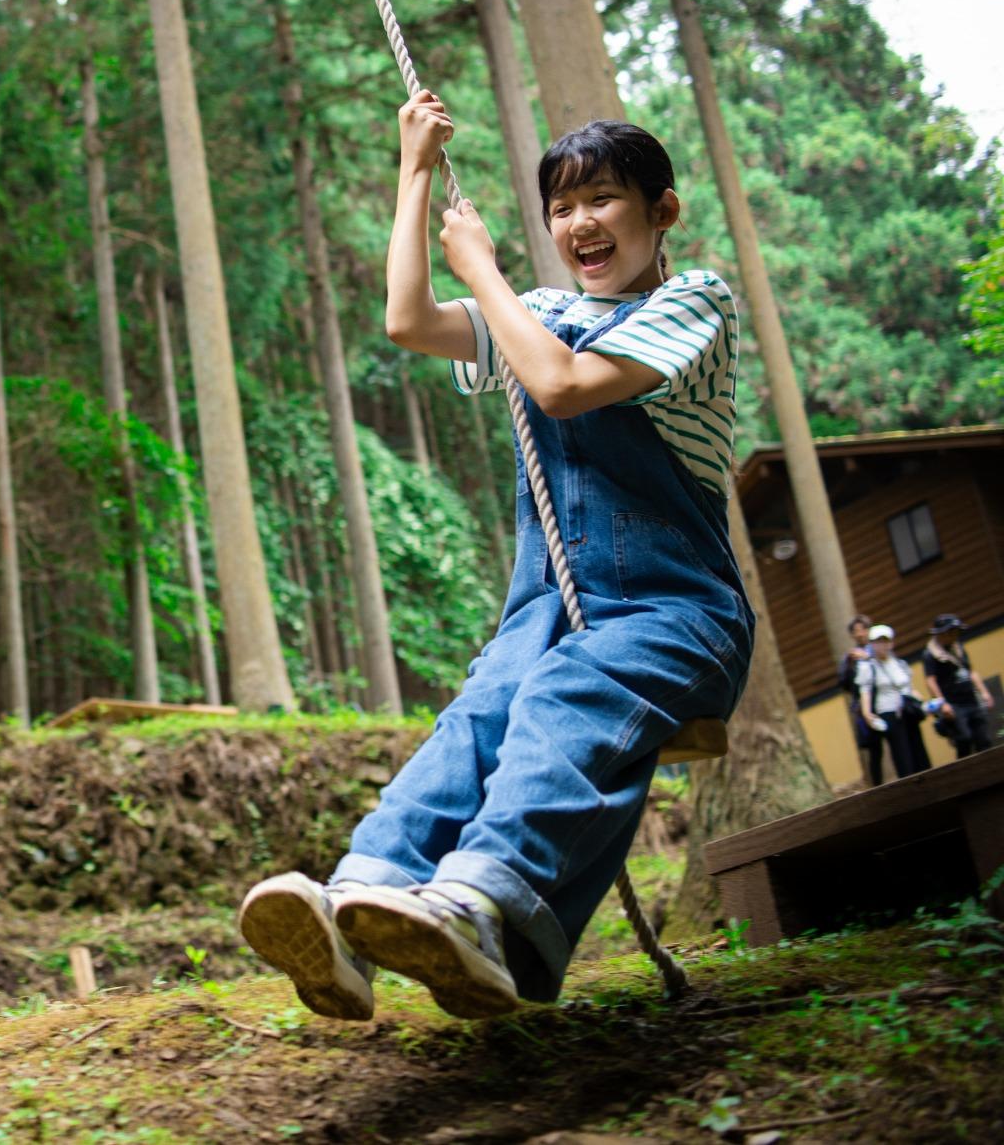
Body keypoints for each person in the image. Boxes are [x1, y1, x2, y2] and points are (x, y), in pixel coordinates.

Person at [238, 103, 751, 1021]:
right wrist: (414, 172)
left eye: (604, 199)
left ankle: (480, 902)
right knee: (477, 717)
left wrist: (479, 267)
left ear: (662, 211)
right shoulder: (542, 312)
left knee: (563, 698)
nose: (580, 223)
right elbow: (409, 321)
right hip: (548, 613)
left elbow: (560, 386)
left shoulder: (693, 303)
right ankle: (358, 906)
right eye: (562, 206)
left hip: (674, 616)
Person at [853, 624, 930, 778]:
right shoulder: (868, 667)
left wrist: (920, 700)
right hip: (888, 713)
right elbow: (865, 691)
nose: (883, 645)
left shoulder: (900, 664)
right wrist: (867, 713)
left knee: (918, 750)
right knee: (902, 754)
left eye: (886, 641)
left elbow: (908, 687)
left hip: (908, 712)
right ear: (872, 644)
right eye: (878, 641)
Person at [922, 615, 994, 758]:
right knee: (964, 739)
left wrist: (984, 692)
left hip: (971, 699)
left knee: (984, 739)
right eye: (952, 632)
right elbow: (930, 680)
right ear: (942, 633)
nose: (955, 635)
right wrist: (942, 704)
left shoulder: (958, 647)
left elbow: (971, 671)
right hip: (953, 703)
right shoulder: (930, 655)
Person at [838, 615, 886, 786]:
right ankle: (878, 785)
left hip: (886, 700)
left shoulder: (879, 650)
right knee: (874, 750)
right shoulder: (849, 658)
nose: (859, 634)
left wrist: (867, 658)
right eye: (855, 631)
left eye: (862, 629)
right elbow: (844, 683)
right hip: (864, 706)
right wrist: (850, 665)